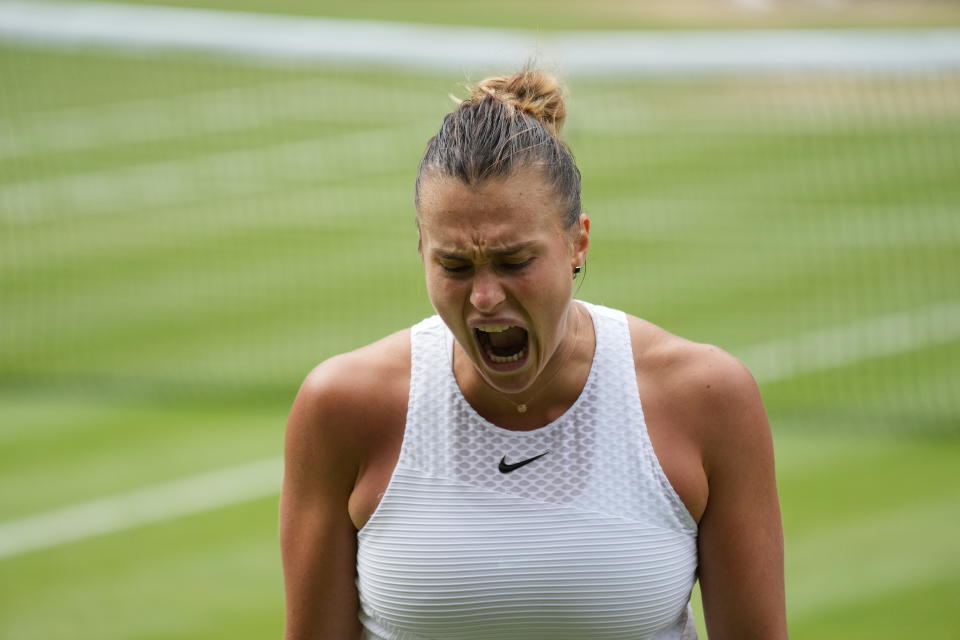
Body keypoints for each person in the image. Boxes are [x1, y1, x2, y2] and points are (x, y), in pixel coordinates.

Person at [281, 69, 786, 639]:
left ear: (578, 242)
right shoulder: (341, 406)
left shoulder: (707, 397)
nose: (485, 297)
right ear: (421, 250)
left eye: (515, 261)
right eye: (454, 266)